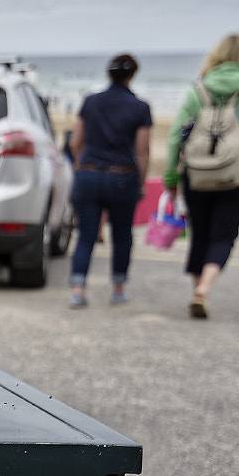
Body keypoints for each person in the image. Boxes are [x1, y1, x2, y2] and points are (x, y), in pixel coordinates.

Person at [163, 33, 239, 319]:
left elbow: (176, 136)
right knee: (224, 234)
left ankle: (196, 289)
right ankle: (205, 288)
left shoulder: (198, 89)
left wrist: (171, 178)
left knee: (199, 232)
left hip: (197, 172)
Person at [68, 54, 152, 308]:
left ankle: (79, 289)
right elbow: (143, 150)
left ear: (108, 73)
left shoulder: (90, 102)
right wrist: (141, 182)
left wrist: (80, 166)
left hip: (88, 173)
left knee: (85, 235)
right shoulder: (140, 107)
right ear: (132, 75)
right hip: (122, 176)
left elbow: (75, 142)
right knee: (123, 235)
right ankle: (118, 287)